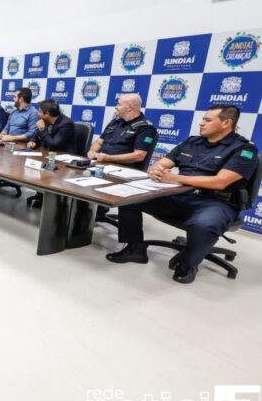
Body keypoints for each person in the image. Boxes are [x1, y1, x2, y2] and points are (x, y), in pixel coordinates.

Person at [106, 105, 258, 284]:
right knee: (128, 200)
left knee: (204, 224)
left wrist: (176, 178)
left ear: (226, 122)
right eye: (203, 119)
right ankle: (135, 249)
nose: (201, 123)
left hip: (215, 201)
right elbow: (163, 163)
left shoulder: (244, 149)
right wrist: (156, 170)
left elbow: (221, 181)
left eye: (208, 120)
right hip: (179, 195)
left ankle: (188, 264)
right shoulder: (192, 142)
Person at [24, 99, 77, 208]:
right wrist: (32, 141)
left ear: (47, 114)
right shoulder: (45, 120)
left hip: (64, 160)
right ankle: (41, 195)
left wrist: (42, 129)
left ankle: (48, 199)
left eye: (39, 111)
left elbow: (54, 144)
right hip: (49, 155)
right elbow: (36, 134)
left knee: (45, 167)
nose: (38, 114)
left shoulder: (66, 124)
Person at [86, 93, 157, 169]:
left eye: (119, 105)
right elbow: (99, 142)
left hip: (122, 169)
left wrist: (108, 158)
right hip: (101, 164)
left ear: (129, 107)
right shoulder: (115, 122)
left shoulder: (145, 127)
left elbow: (139, 155)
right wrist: (92, 152)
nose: (116, 107)